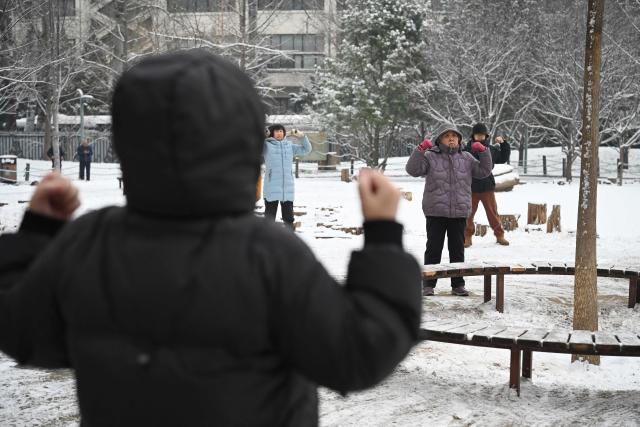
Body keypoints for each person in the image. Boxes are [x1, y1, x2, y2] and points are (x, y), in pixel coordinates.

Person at [0, 49, 422, 426]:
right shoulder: (269, 255)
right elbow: (358, 353)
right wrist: (383, 235)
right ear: (242, 137)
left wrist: (38, 231)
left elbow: (21, 329)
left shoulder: (89, 242)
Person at [405, 128, 492, 296]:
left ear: (459, 140)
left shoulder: (466, 158)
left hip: (459, 211)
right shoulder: (430, 156)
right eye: (447, 136)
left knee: (457, 250)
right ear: (440, 140)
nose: (451, 139)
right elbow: (413, 170)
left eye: (454, 136)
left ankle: (458, 284)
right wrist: (420, 150)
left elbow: (484, 172)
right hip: (436, 211)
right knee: (433, 249)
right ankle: (428, 284)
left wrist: (484, 151)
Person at [463, 123, 512, 247]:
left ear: (486, 136)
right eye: (477, 135)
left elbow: (503, 158)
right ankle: (466, 237)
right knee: (468, 214)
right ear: (473, 136)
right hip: (471, 187)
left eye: (482, 135)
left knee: (492, 213)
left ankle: (499, 235)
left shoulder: (491, 149)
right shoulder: (467, 150)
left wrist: (504, 144)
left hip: (487, 187)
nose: (480, 137)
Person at [263, 124, 312, 229]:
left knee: (289, 218)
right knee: (269, 218)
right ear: (272, 133)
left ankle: (290, 236)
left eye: (281, 131)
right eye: (276, 131)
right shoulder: (267, 146)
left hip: (287, 187)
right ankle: (266, 239)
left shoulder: (289, 146)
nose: (279, 133)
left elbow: (307, 149)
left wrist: (302, 137)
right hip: (271, 186)